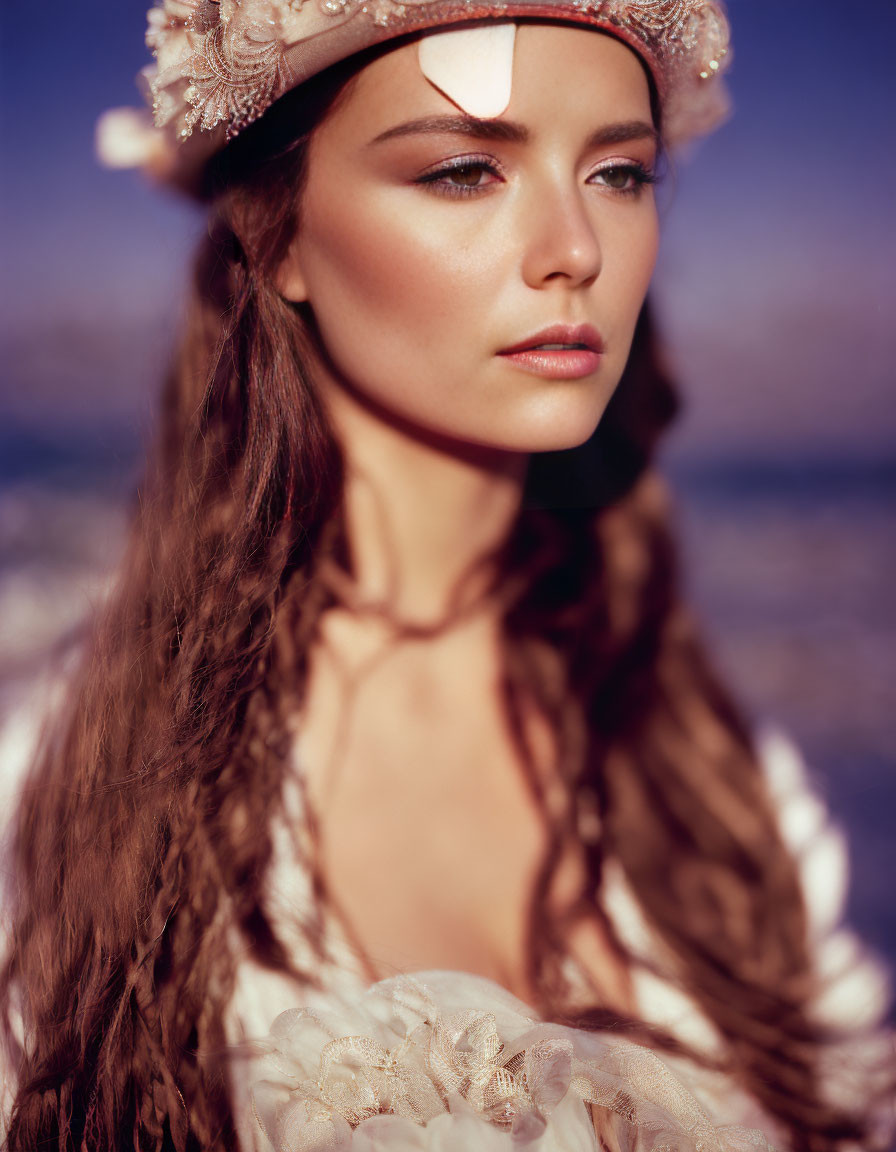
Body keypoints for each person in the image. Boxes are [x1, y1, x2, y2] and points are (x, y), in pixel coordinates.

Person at [0, 2, 890, 1149]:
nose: (574, 246)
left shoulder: (716, 784)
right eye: (467, 169)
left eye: (619, 173)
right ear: (275, 237)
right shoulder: (54, 792)